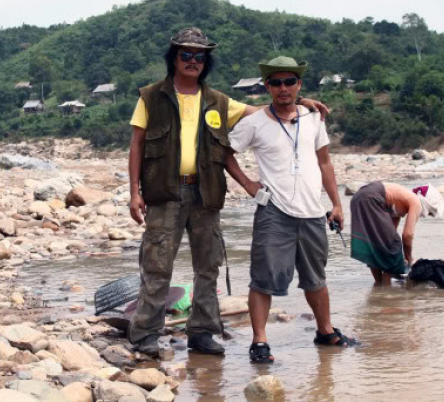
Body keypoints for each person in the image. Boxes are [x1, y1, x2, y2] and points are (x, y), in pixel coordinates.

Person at [127, 28, 327, 357]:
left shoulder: (219, 101)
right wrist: (134, 192)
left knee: (208, 266)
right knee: (158, 265)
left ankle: (203, 333)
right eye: (186, 55)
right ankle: (145, 334)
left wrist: (301, 101)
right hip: (164, 194)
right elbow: (136, 145)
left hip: (205, 194)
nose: (193, 61)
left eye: (200, 56)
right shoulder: (150, 97)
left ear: (206, 62)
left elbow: (266, 109)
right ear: (174, 58)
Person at [226, 55, 357, 364]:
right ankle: (260, 342)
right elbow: (224, 153)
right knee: (263, 279)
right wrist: (247, 184)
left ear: (299, 84)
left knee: (316, 278)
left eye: (289, 82)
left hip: (312, 212)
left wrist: (337, 204)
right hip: (274, 213)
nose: (283, 88)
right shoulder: (254, 122)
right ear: (267, 86)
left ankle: (325, 331)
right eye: (275, 82)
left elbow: (324, 161)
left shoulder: (313, 117)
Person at [350, 182, 444, 286]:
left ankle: (379, 286)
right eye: (431, 213)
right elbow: (407, 235)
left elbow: (388, 235)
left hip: (359, 197)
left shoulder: (400, 203)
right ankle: (387, 294)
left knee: (376, 245)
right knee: (393, 245)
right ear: (428, 202)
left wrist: (401, 258)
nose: (428, 215)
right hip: (371, 198)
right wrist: (409, 260)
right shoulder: (416, 202)